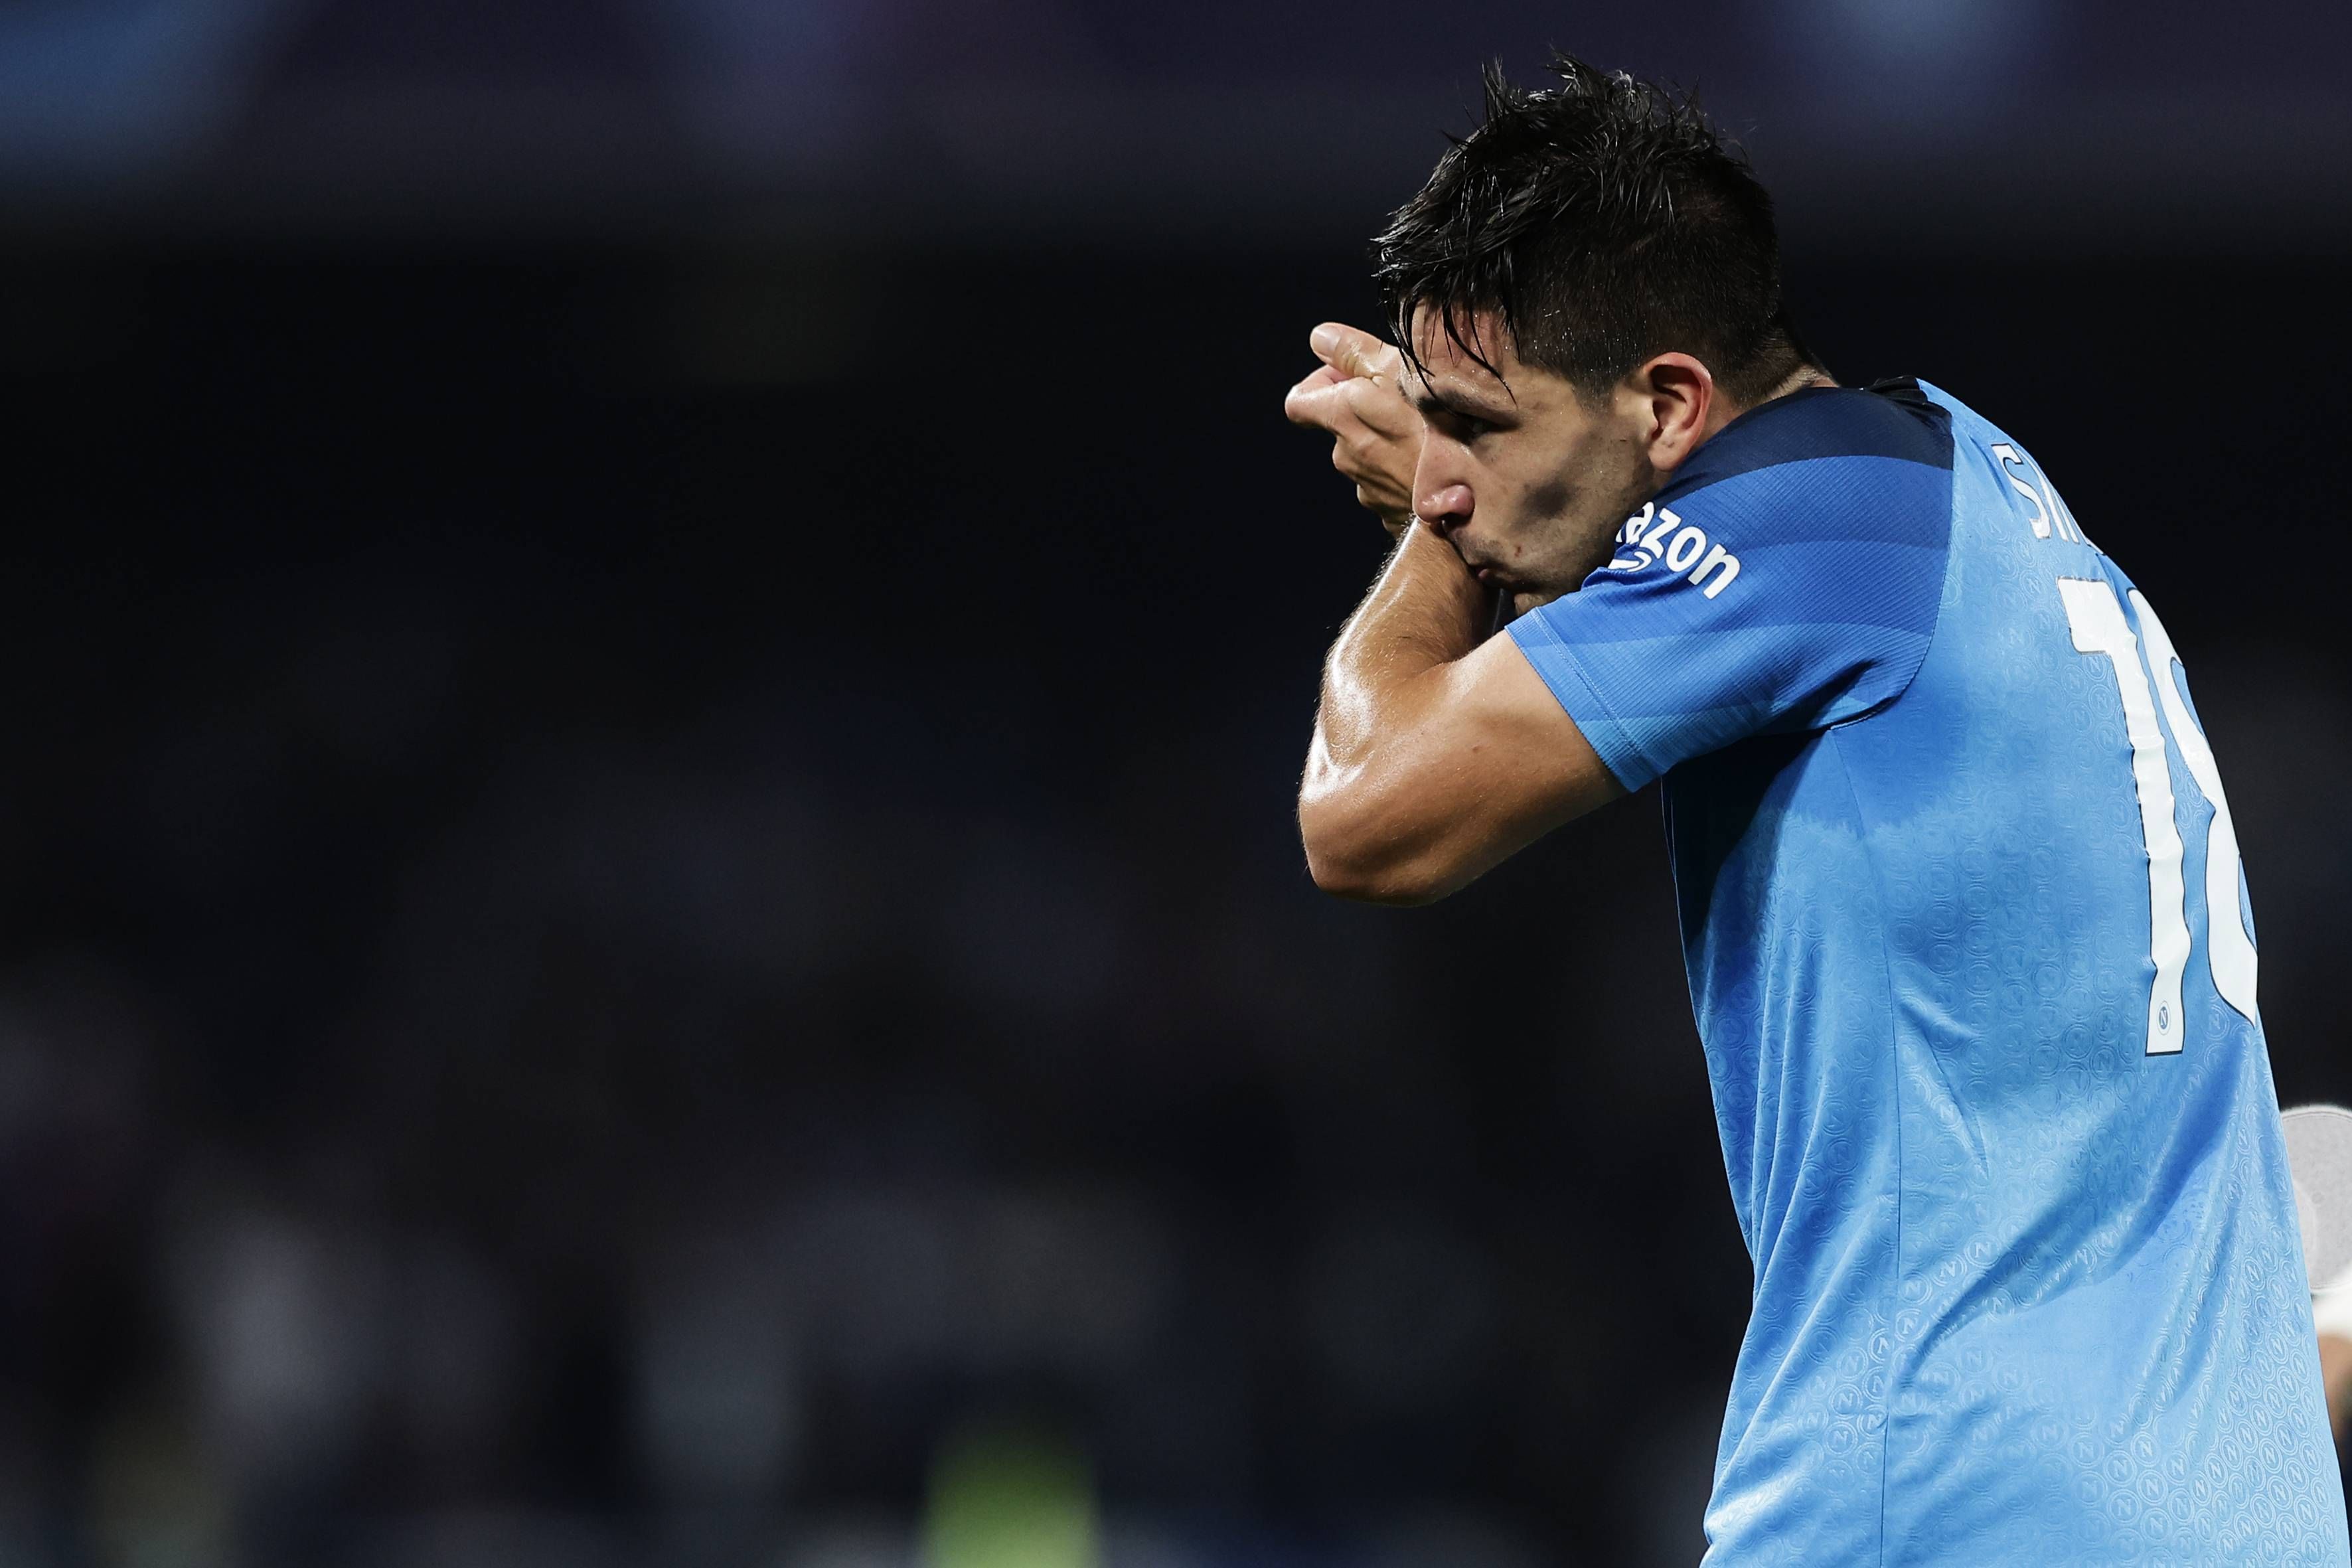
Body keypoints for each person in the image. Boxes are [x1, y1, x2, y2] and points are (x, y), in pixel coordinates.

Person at [1284, 53, 2347, 1565]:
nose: (1451, 477)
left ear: (1667, 403)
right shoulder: (1985, 489)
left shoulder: (1802, 521)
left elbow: (1370, 821)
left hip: (1925, 1498)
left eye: (1485, 427)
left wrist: (1431, 546)